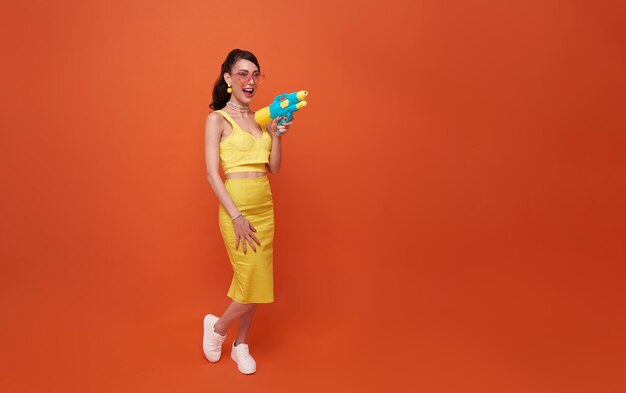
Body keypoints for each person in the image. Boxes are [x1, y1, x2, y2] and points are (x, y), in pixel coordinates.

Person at [202, 49, 293, 374]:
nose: (250, 81)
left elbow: (274, 168)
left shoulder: (260, 119)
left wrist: (276, 136)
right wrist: (237, 216)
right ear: (228, 78)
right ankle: (216, 329)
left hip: (264, 209)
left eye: (255, 74)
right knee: (251, 278)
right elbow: (213, 175)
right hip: (236, 210)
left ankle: (241, 344)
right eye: (242, 74)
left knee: (258, 280)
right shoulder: (217, 119)